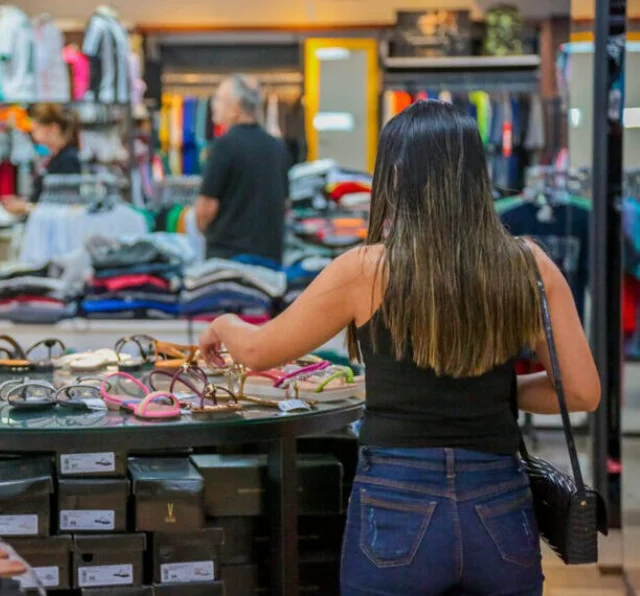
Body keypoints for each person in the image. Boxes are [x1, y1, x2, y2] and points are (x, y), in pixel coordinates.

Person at [198, 100, 600, 595]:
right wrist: (492, 390)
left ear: (393, 177)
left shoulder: (366, 269)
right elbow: (580, 392)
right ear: (477, 172)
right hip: (499, 501)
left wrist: (224, 322)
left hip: (396, 500)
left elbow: (259, 351)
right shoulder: (528, 265)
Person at [195, 74, 290, 267]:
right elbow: (285, 203)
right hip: (269, 259)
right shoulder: (277, 147)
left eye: (219, 99)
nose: (214, 105)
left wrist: (203, 228)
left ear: (235, 107)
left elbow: (207, 206)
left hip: (227, 261)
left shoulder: (223, 146)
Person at [2, 103, 82, 215]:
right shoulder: (55, 158)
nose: (33, 135)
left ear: (53, 129)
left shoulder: (68, 159)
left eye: (36, 129)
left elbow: (62, 207)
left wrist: (25, 207)